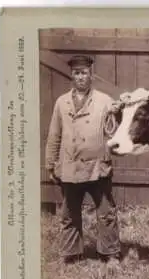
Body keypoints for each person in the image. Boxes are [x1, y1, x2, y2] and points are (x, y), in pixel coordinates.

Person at [45, 54, 122, 265]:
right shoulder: (62, 103)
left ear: (91, 75)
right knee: (69, 213)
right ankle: (71, 253)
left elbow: (113, 132)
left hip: (98, 166)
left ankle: (110, 253)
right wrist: (50, 163)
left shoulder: (105, 101)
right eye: (77, 73)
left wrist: (116, 115)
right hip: (70, 167)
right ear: (72, 76)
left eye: (84, 73)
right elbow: (54, 136)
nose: (81, 77)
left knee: (106, 212)